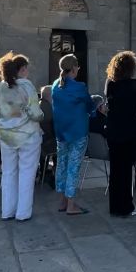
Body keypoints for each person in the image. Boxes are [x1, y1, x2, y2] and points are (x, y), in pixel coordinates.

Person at [0, 52, 44, 222]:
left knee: (8, 173)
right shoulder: (26, 85)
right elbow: (35, 113)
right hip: (27, 134)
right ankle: (23, 212)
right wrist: (41, 115)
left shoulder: (0, 87)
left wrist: (1, 126)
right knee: (27, 173)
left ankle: (7, 211)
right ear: (22, 69)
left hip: (7, 135)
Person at [104, 51, 136, 217]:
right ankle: (126, 206)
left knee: (116, 170)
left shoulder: (110, 84)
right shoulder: (135, 84)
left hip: (114, 130)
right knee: (126, 170)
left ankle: (115, 206)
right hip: (130, 131)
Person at [52, 54, 92, 215]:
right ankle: (71, 205)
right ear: (74, 68)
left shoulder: (56, 85)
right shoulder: (79, 87)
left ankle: (62, 201)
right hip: (78, 132)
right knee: (73, 168)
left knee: (61, 165)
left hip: (61, 132)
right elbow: (89, 106)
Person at [39, 85, 57, 186]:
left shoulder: (39, 105)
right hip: (47, 144)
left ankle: (44, 172)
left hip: (40, 143)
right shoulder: (49, 109)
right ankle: (57, 175)